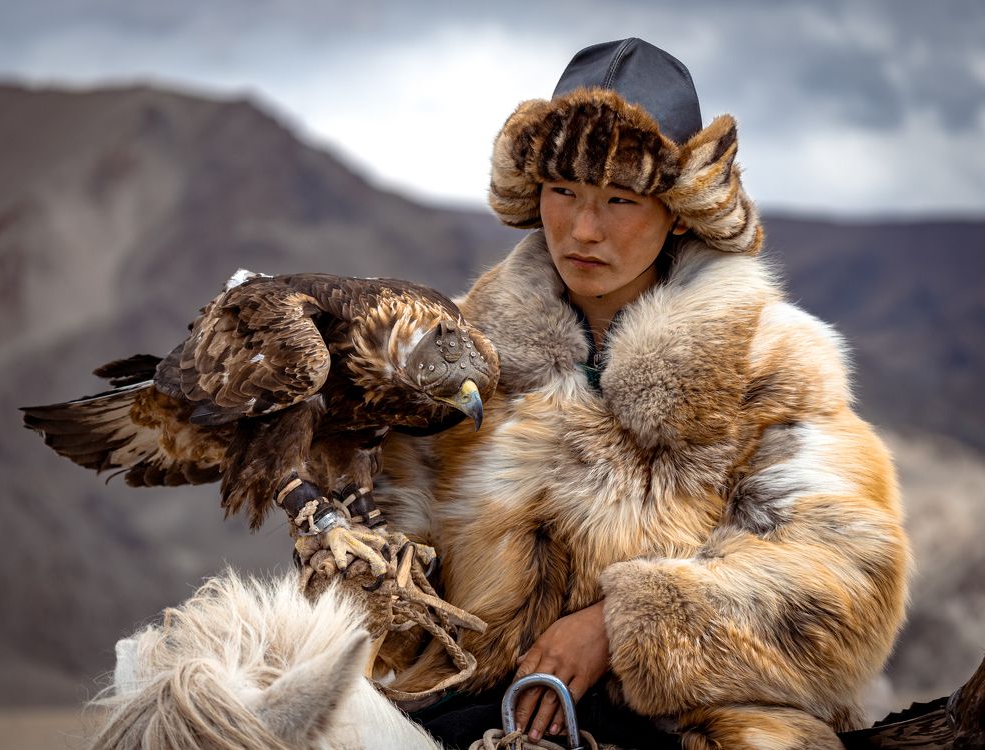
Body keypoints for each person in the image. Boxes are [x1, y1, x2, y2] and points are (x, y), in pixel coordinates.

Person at [378, 38, 910, 749]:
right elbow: (390, 548)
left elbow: (850, 580)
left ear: (681, 211)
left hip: (693, 726)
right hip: (470, 713)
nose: (583, 229)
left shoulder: (769, 359)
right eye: (563, 193)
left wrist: (620, 626)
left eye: (619, 200)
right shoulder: (457, 355)